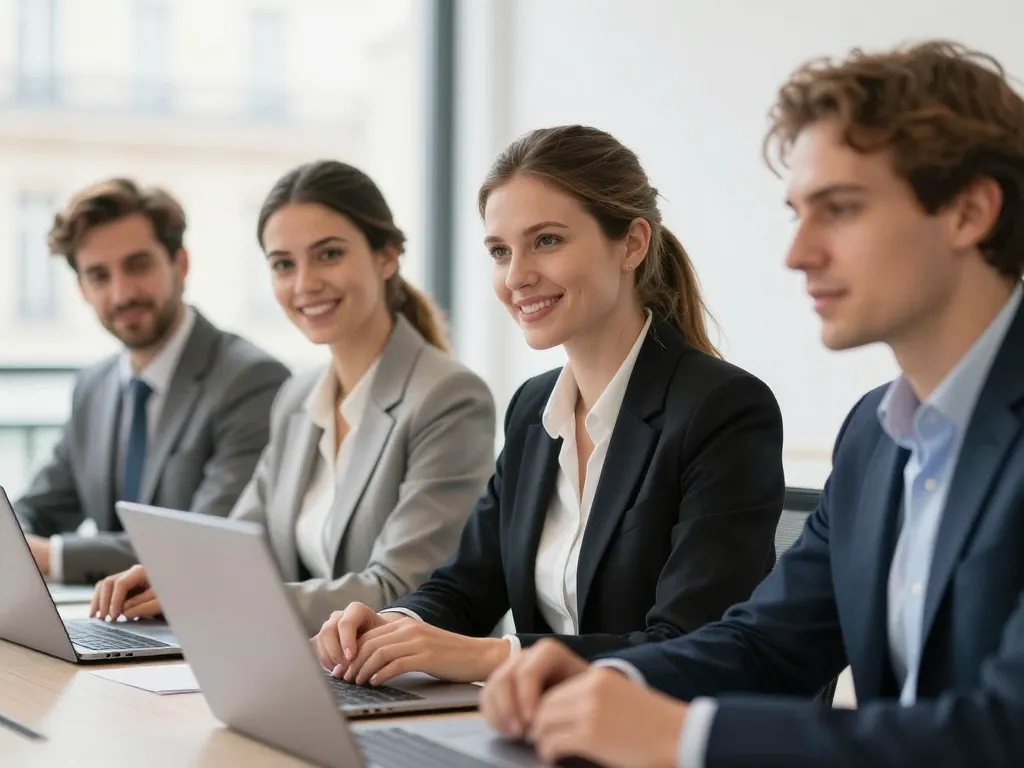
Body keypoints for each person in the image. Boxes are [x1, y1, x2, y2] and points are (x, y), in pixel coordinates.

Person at [479, 41, 1024, 768]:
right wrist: (602, 678)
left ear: (969, 212)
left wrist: (681, 737)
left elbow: (1005, 731)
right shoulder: (875, 437)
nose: (796, 252)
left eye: (840, 210)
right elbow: (769, 643)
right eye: (797, 213)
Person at [310, 124, 786, 688]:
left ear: (632, 243)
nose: (517, 276)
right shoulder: (535, 409)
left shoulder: (721, 409)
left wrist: (493, 658)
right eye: (499, 251)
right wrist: (392, 625)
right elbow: (467, 583)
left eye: (547, 241)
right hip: (543, 733)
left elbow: (689, 643)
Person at [90, 160, 497, 633]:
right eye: (284, 264)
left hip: (410, 683)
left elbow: (399, 589)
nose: (304, 284)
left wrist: (214, 595)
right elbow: (239, 545)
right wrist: (176, 578)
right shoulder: (297, 397)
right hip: (309, 667)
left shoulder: (448, 398)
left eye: (328, 255)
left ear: (387, 256)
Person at [14, 178, 290, 586]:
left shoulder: (251, 381)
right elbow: (39, 507)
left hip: (199, 624)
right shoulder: (95, 386)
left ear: (180, 264)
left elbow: (205, 539)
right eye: (99, 276)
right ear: (82, 289)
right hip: (111, 620)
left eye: (138, 265)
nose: (122, 292)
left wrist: (52, 556)